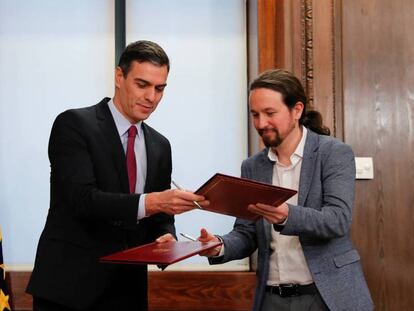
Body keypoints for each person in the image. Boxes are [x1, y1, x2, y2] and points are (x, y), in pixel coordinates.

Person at [26, 40, 207, 311]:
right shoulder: (73, 124)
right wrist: (155, 202)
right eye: (142, 84)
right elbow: (82, 200)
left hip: (127, 292)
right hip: (68, 290)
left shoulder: (160, 145)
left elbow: (160, 218)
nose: (151, 97)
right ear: (119, 77)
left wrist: (165, 239)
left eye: (160, 89)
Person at [199, 69, 373, 311]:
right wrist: (219, 245)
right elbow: (247, 232)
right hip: (272, 298)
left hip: (328, 295)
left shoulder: (333, 153)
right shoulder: (252, 166)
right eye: (255, 114)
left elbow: (337, 220)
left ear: (297, 110)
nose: (261, 123)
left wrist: (286, 215)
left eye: (270, 113)